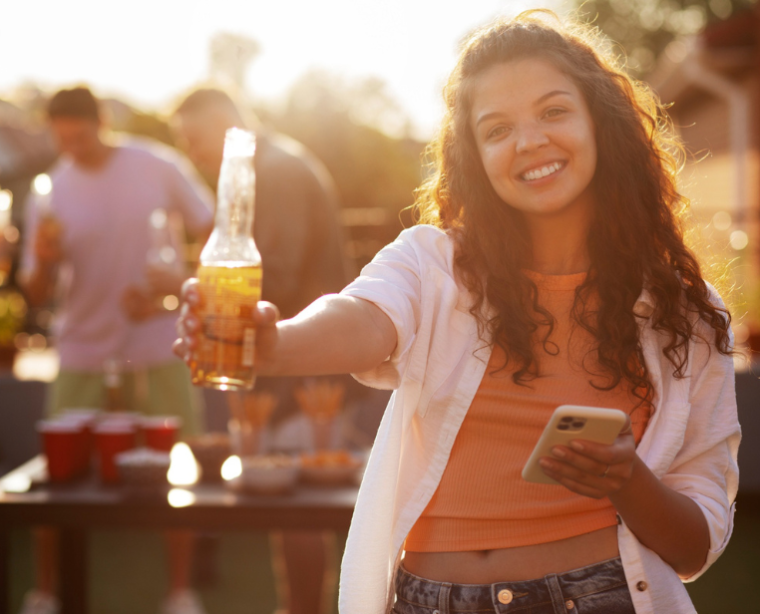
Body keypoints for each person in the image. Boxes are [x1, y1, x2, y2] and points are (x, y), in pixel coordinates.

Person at [175, 11, 740, 614]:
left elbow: (694, 542)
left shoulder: (688, 312)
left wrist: (628, 482)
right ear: (474, 155)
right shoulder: (434, 262)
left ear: (601, 122)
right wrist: (275, 344)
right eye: (497, 129)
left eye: (553, 111)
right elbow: (365, 318)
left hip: (600, 596)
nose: (528, 141)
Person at [19, 86, 214, 614]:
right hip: (82, 348)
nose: (73, 149)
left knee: (179, 468)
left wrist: (174, 287)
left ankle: (180, 591)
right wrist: (41, 260)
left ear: (101, 122)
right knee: (56, 477)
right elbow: (34, 293)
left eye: (80, 137)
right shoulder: (50, 191)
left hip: (158, 343)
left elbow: (216, 232)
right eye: (62, 141)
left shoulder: (156, 165)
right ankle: (46, 591)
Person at [171, 87, 353, 614]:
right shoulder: (266, 169)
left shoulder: (277, 171)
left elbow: (277, 273)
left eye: (196, 139)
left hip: (306, 370)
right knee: (288, 508)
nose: (192, 154)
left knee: (298, 508)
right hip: (292, 366)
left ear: (226, 124)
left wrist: (195, 289)